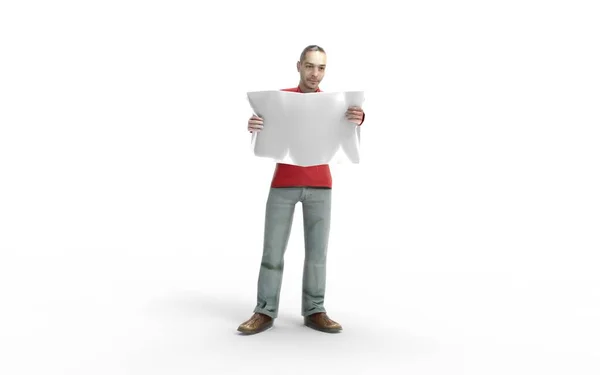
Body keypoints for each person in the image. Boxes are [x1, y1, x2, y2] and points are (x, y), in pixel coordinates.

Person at [237, 45, 365, 335]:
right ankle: (264, 311)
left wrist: (359, 119)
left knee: (317, 253)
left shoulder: (336, 104)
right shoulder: (280, 100)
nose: (315, 73)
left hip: (321, 185)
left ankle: (315, 310)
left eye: (321, 68)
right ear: (299, 66)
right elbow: (263, 129)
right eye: (310, 66)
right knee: (272, 251)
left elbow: (349, 131)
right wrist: (254, 125)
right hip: (283, 184)